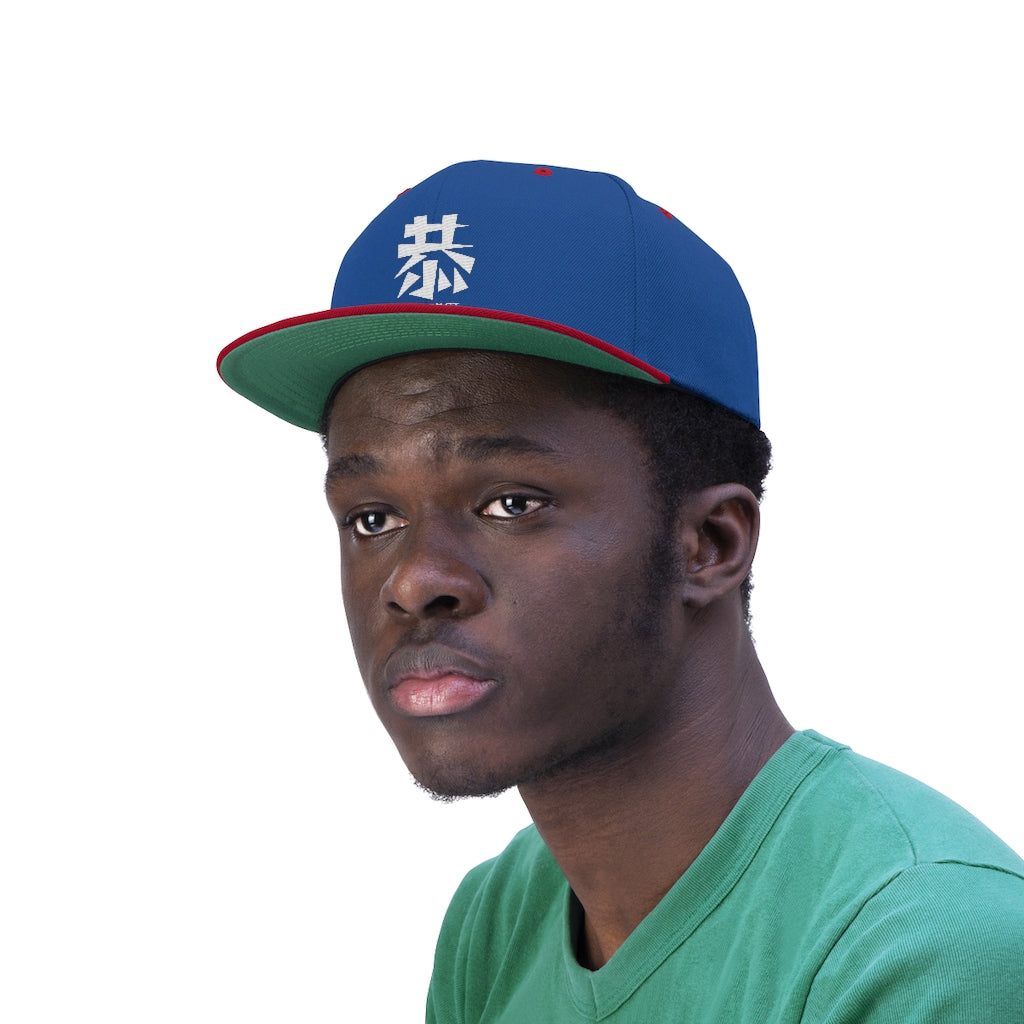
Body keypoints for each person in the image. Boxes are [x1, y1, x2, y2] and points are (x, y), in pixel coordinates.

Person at [218, 160, 1024, 1022]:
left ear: (710, 545)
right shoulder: (499, 920)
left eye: (511, 503)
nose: (414, 581)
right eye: (372, 518)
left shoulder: (928, 942)